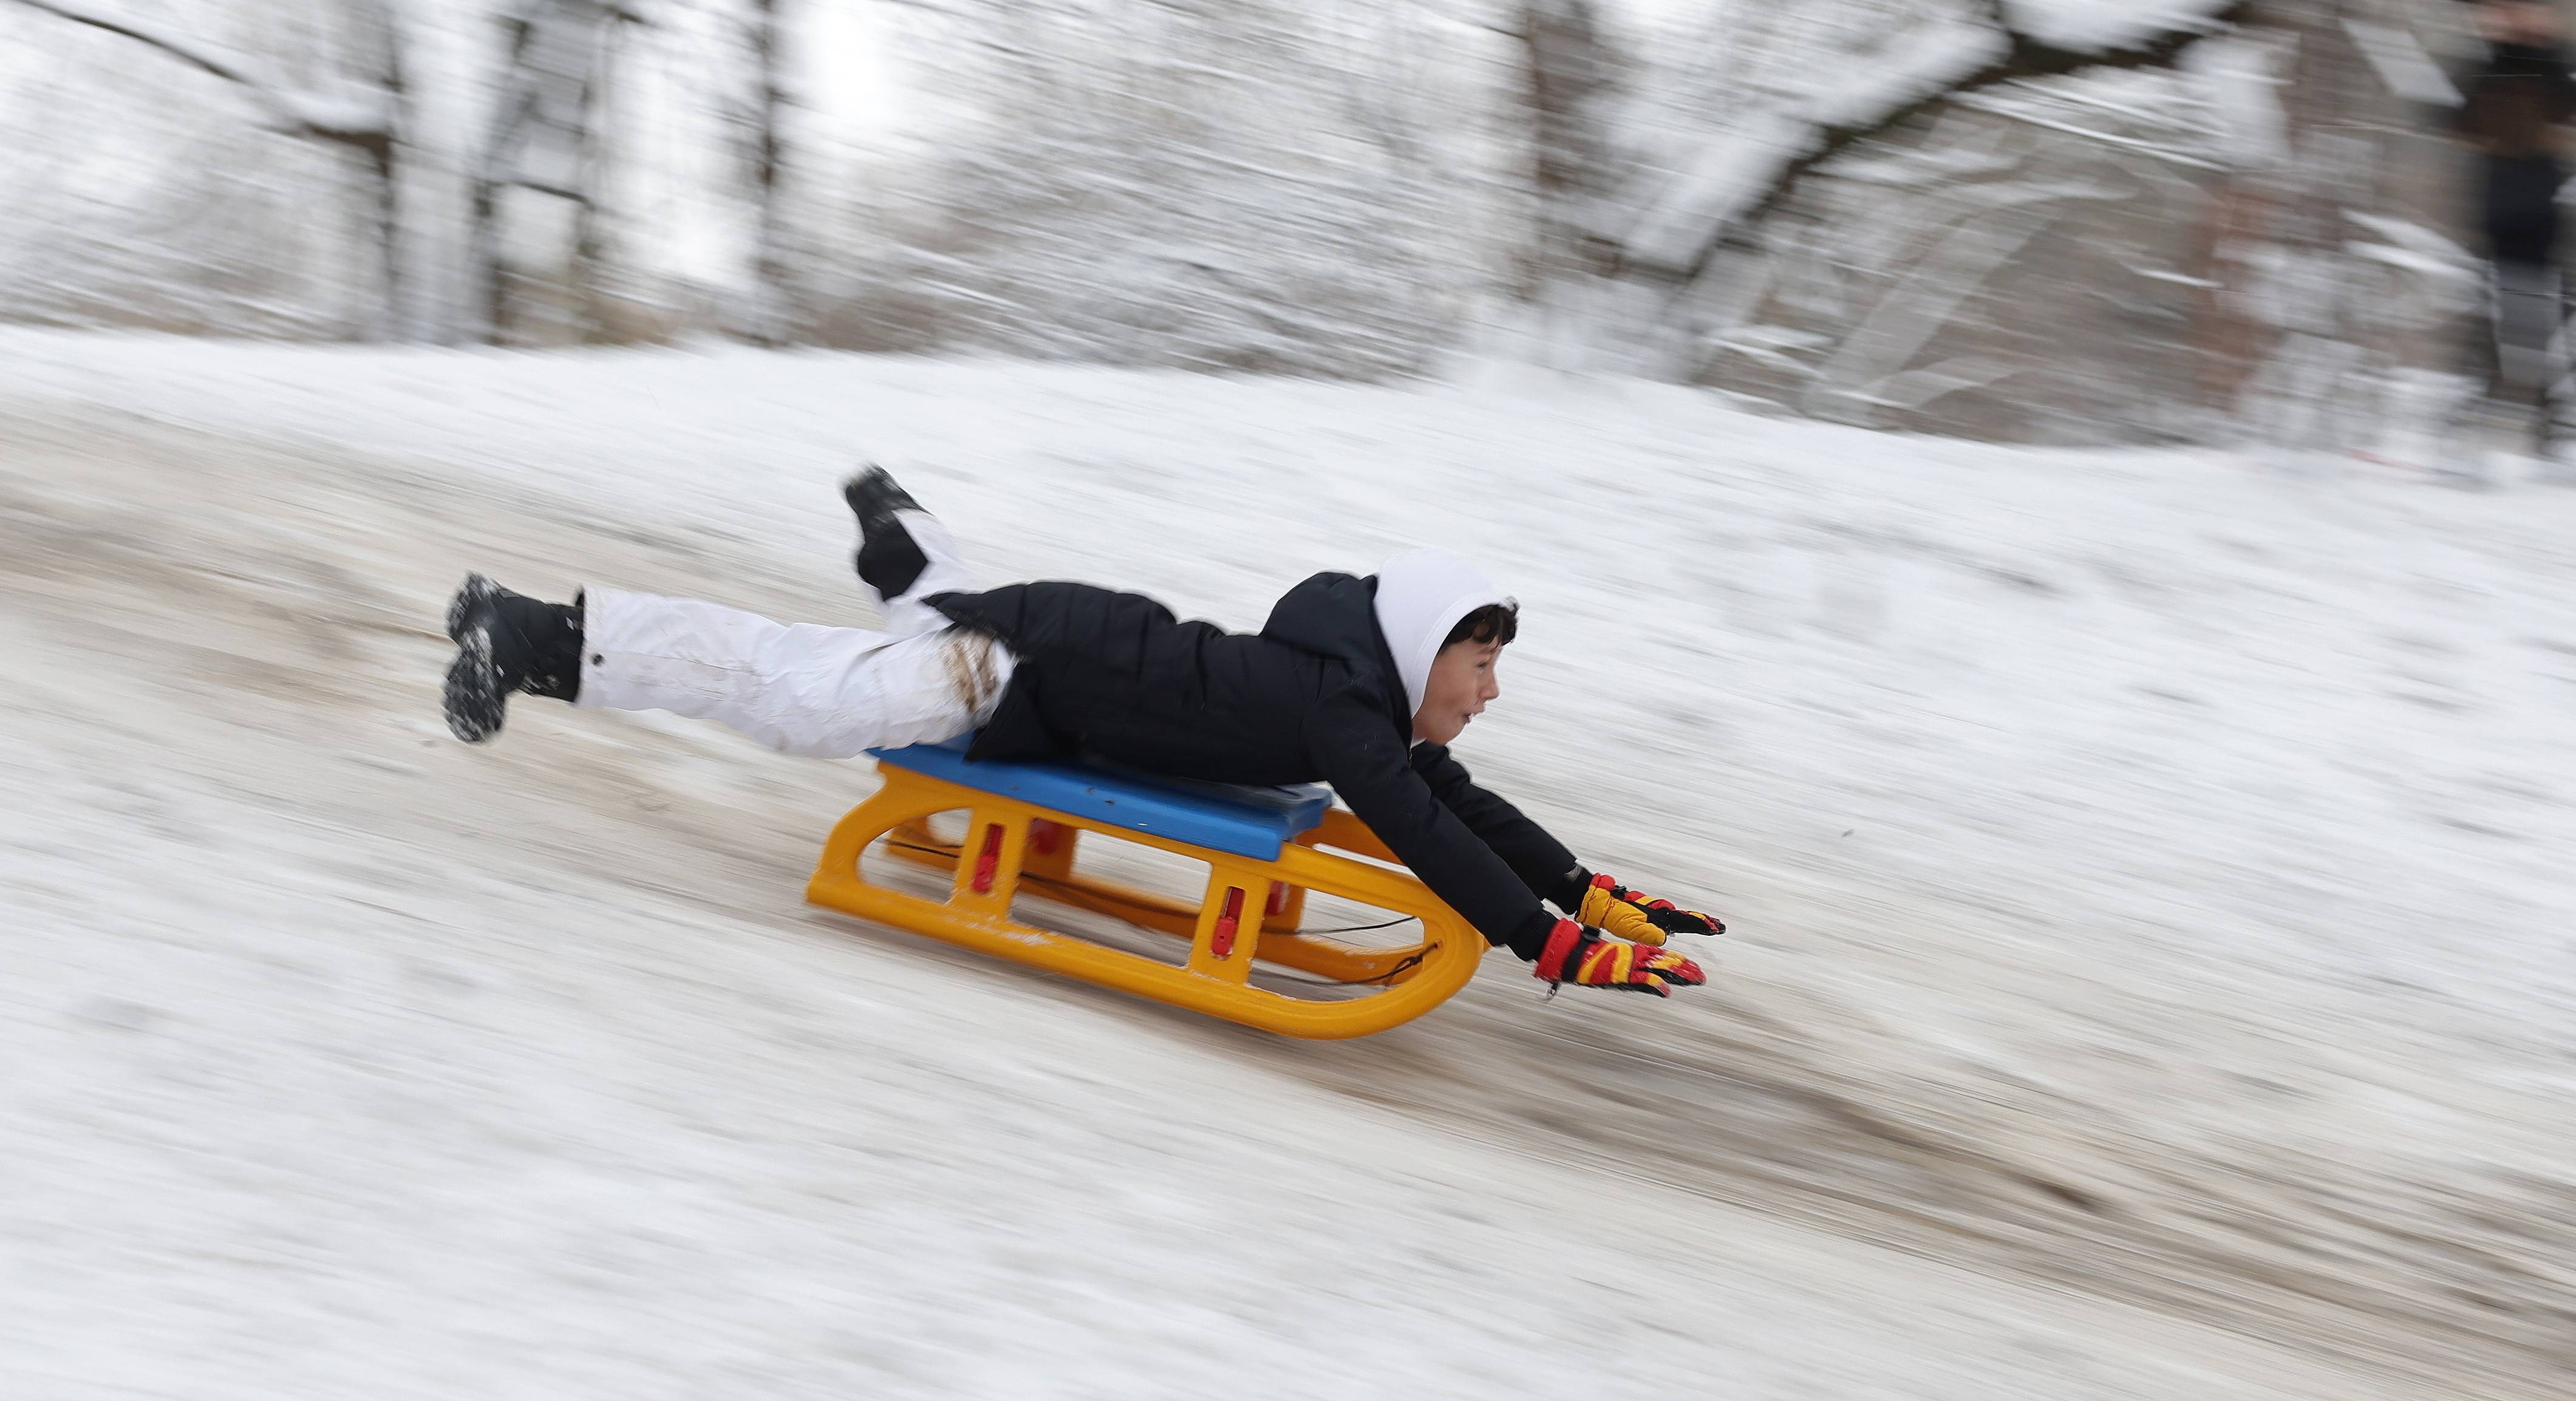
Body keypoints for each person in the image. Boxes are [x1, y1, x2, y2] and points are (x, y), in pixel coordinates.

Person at [441, 469, 1722, 997]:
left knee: (932, 610)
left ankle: (900, 535)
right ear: (1421, 643)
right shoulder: (1344, 707)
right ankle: (531, 634)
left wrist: (1587, 891)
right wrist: (1548, 942)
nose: (1488, 689)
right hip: (1012, 674)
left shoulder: (1354, 695)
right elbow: (1420, 828)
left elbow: (1460, 804)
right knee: (801, 695)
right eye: (1479, 661)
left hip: (1056, 639)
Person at [2452, 0, 2576, 458]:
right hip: (2496, 210)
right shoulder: (2486, 66)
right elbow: (2456, 119)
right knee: (2492, 320)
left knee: (2551, 319)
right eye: (2490, 15)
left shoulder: (2554, 63)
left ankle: (2555, 427)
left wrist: (2543, 45)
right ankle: (2479, 420)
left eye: (2502, 12)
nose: (2495, 22)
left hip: (2546, 211)